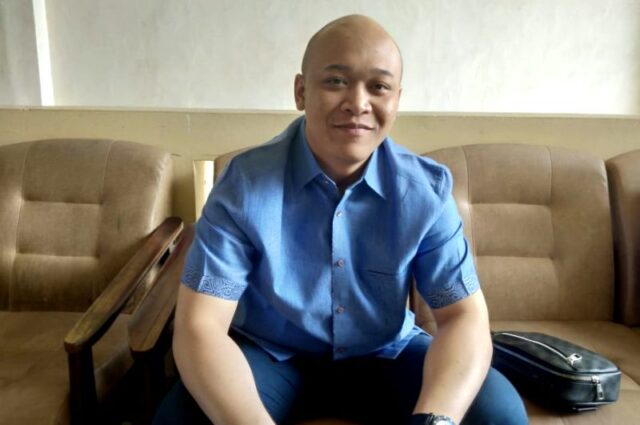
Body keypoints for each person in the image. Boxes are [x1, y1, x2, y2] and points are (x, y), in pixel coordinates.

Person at [155, 14, 528, 425]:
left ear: (397, 99)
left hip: (384, 354)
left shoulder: (426, 191)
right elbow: (201, 324)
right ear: (301, 91)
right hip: (272, 356)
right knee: (180, 418)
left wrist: (434, 421)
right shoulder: (243, 186)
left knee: (497, 412)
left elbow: (463, 316)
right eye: (336, 81)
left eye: (379, 86)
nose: (358, 103)